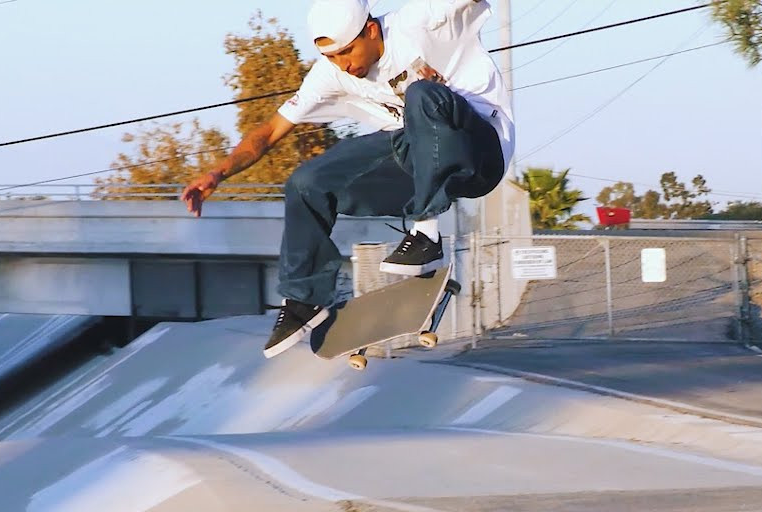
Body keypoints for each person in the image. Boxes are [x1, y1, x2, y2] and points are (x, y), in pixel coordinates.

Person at [181, 0, 514, 358]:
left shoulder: (422, 19)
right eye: (334, 57)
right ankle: (303, 300)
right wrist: (219, 172)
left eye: (348, 52)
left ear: (371, 30)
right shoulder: (330, 74)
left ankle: (426, 234)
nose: (345, 65)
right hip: (419, 156)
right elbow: (270, 131)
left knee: (423, 94)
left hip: (481, 150)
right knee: (307, 183)